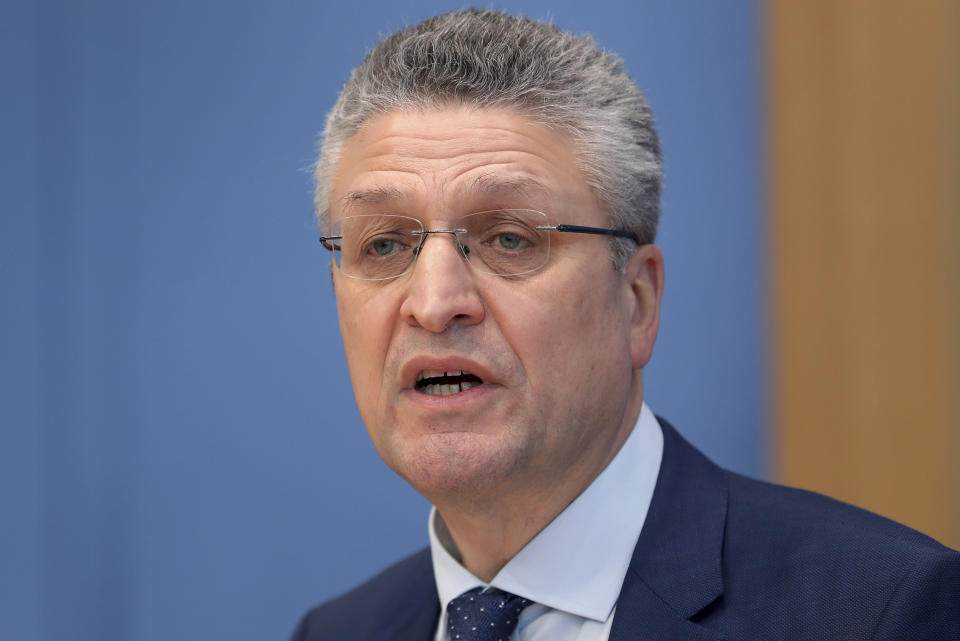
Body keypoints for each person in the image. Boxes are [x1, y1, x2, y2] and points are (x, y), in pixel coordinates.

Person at [291, 9, 960, 641]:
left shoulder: (878, 609)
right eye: (382, 245)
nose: (434, 303)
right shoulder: (338, 630)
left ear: (636, 300)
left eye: (509, 238)